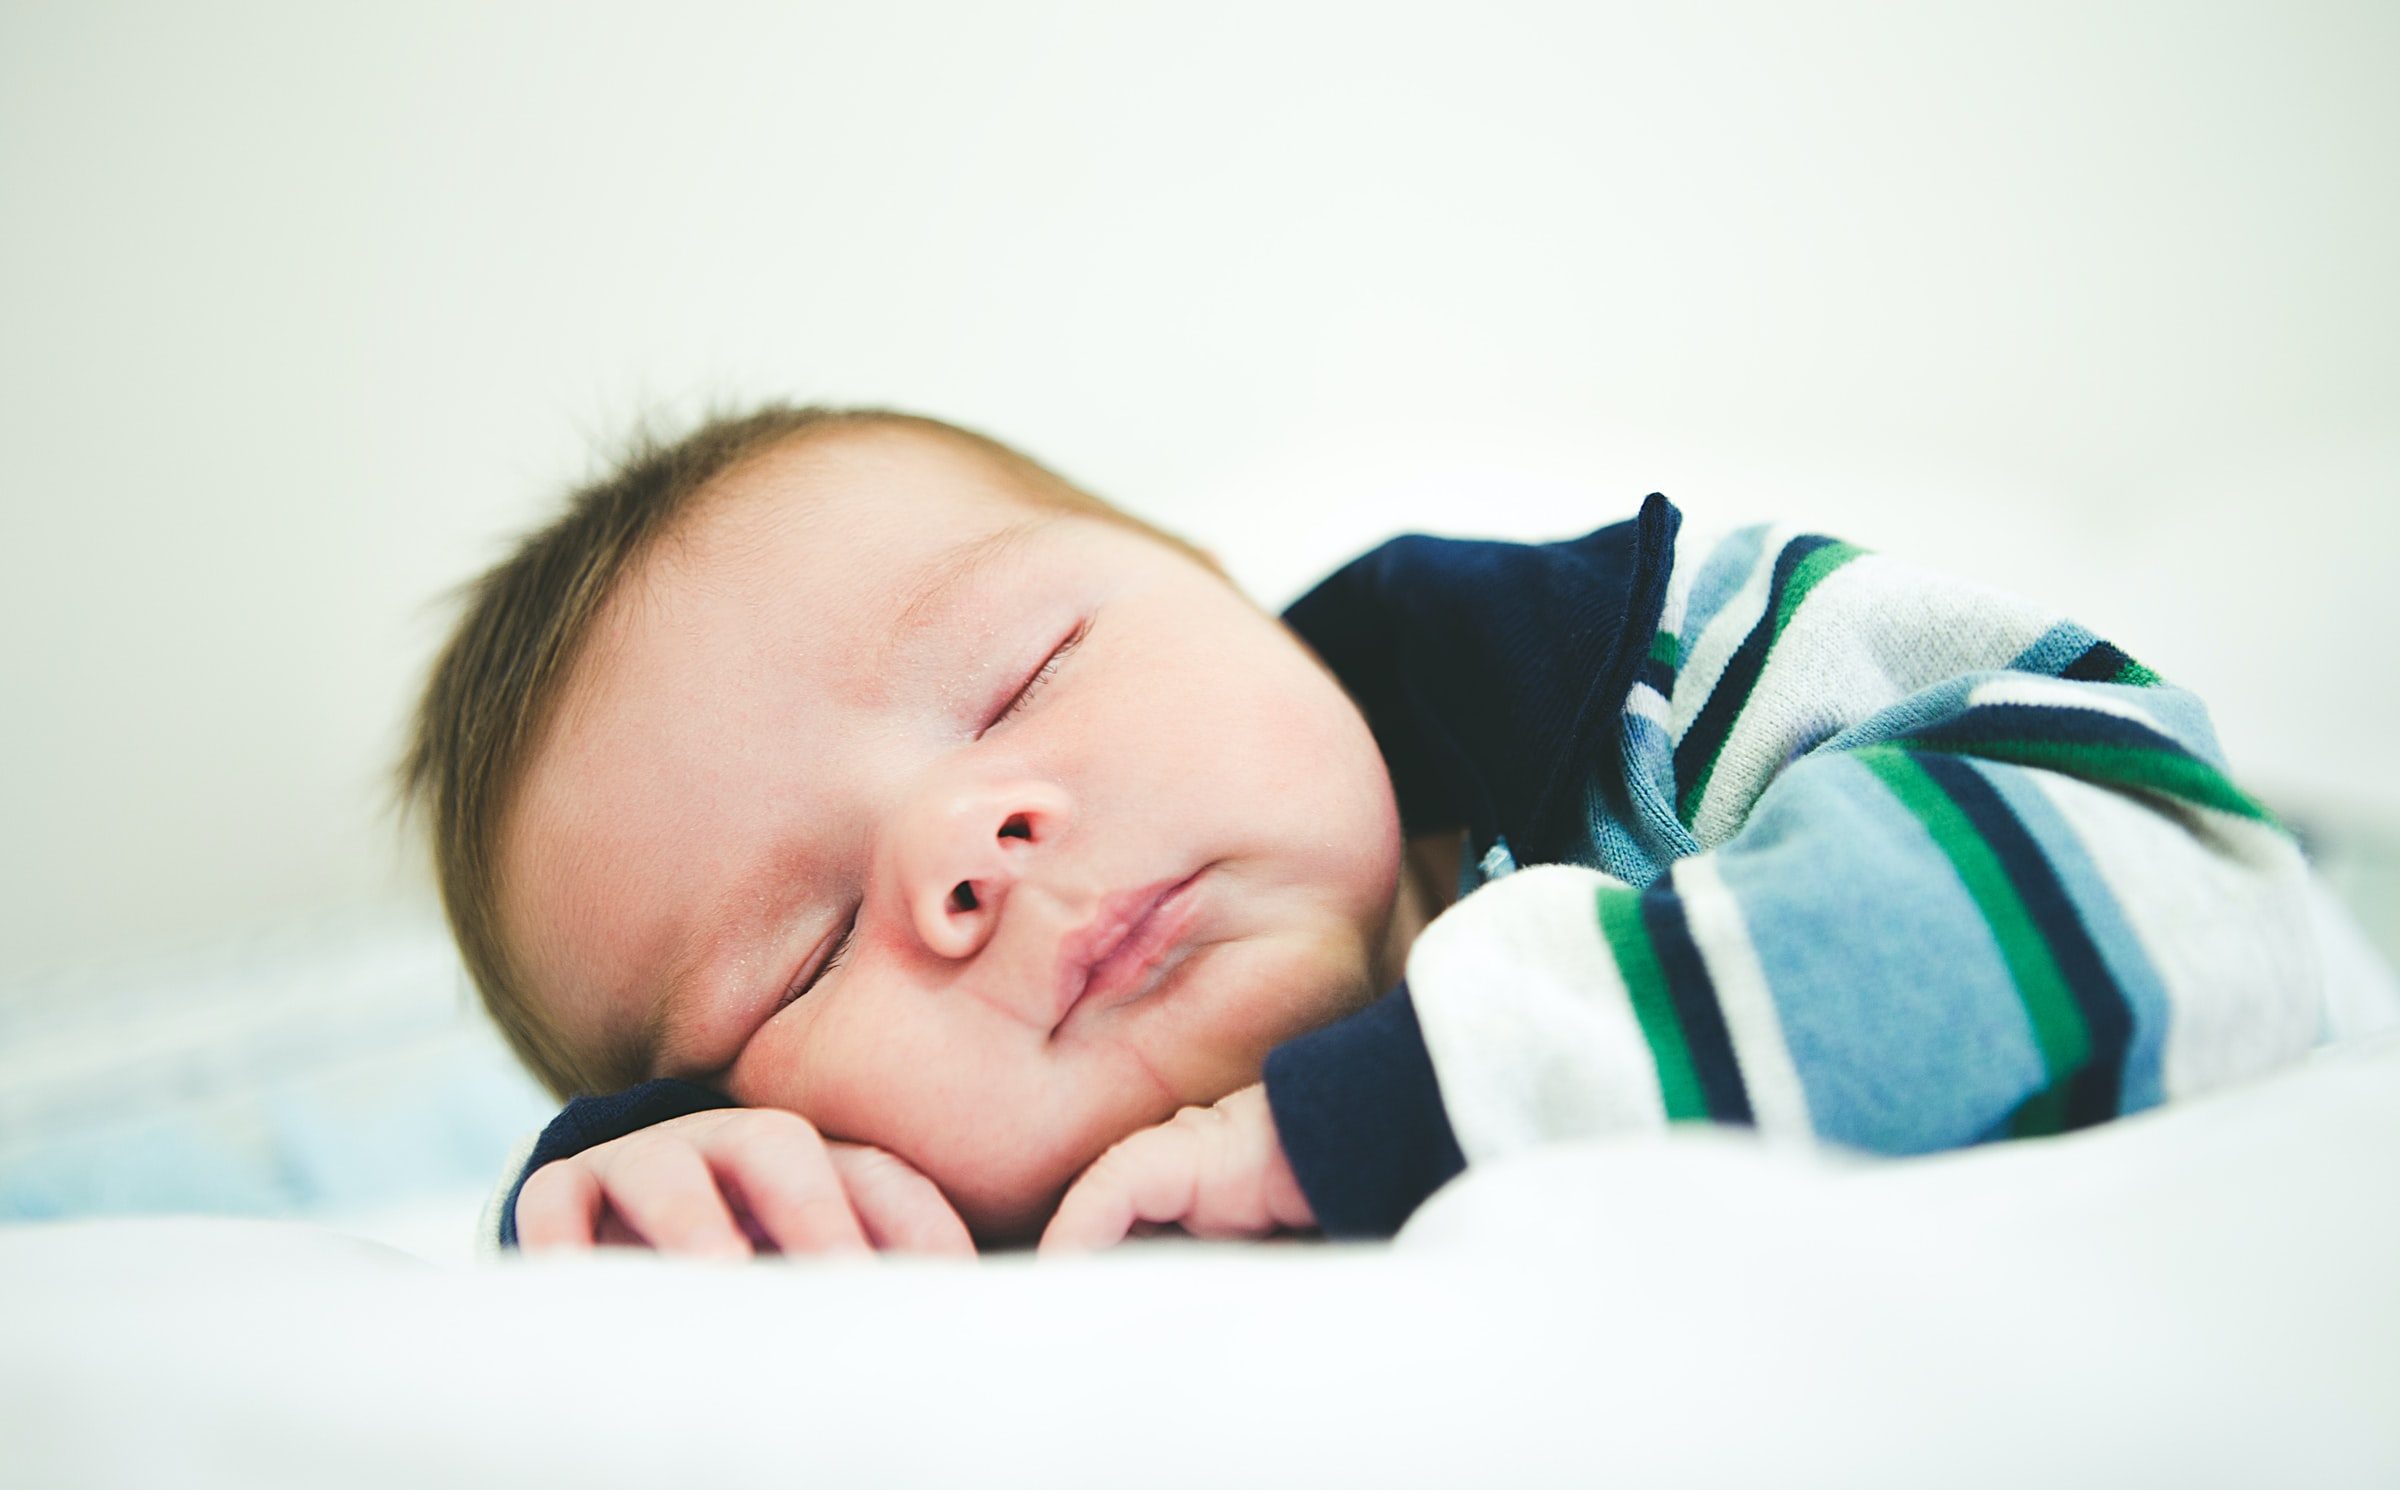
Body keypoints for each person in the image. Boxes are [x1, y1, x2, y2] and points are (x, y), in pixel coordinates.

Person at [398, 404, 2326, 1259]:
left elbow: (2173, 873)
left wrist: (1421, 1095)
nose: (967, 847)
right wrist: (663, 1207)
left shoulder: (1666, 677)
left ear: (1230, 592)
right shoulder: (969, 1209)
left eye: (1020, 676)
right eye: (804, 952)